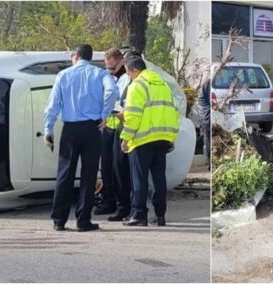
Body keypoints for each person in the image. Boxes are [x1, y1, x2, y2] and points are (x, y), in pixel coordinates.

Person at [44, 44, 118, 232]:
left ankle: (58, 220)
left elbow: (53, 104)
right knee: (89, 174)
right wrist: (105, 113)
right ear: (90, 57)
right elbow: (112, 91)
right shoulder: (100, 74)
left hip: (70, 128)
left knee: (65, 173)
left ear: (76, 56)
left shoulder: (64, 75)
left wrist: (48, 128)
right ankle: (83, 220)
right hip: (92, 128)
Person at [120, 56, 180, 226]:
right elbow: (173, 113)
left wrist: (126, 137)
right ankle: (160, 215)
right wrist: (171, 137)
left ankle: (139, 215)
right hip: (162, 139)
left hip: (142, 139)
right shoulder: (163, 85)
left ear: (135, 71)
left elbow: (132, 115)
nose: (128, 77)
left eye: (128, 73)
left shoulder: (137, 85)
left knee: (140, 178)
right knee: (159, 178)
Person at [94, 48, 132, 221]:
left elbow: (121, 103)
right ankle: (108, 201)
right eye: (107, 68)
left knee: (119, 171)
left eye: (112, 68)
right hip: (109, 128)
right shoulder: (113, 78)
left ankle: (121, 205)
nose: (109, 71)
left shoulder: (127, 79)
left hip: (121, 128)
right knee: (107, 169)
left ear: (121, 62)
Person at [198, 79, 211, 170]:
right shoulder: (207, 83)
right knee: (208, 141)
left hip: (220, 117)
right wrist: (207, 112)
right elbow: (201, 100)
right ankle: (209, 163)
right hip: (208, 118)